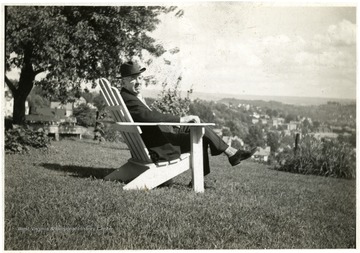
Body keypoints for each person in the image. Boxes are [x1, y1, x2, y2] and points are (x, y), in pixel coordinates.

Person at [116, 61, 257, 181]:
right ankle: (229, 154)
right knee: (198, 134)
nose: (139, 82)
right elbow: (149, 117)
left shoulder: (127, 96)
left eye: (140, 77)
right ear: (123, 81)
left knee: (195, 123)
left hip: (158, 138)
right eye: (134, 78)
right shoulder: (129, 99)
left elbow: (147, 115)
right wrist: (181, 119)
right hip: (160, 147)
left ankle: (230, 153)